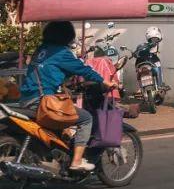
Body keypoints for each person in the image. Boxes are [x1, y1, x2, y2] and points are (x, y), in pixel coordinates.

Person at [19, 21, 119, 173]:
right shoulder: (61, 53)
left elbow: (52, 71)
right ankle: (77, 161)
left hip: (26, 99)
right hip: (43, 102)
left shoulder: (42, 50)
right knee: (86, 118)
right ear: (66, 36)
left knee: (66, 116)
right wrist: (104, 81)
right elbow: (84, 69)